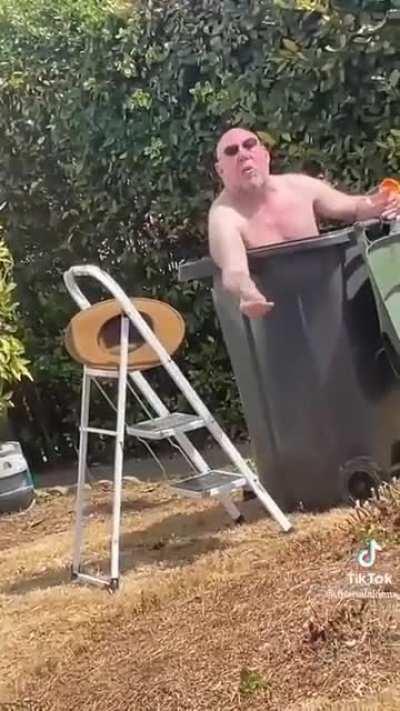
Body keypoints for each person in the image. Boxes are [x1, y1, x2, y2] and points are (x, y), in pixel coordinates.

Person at [208, 127, 400, 318]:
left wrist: (386, 201)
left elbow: (355, 208)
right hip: (279, 319)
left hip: (331, 304)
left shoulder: (300, 187)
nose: (243, 154)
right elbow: (234, 270)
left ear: (265, 155)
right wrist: (249, 293)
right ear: (220, 170)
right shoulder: (224, 216)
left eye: (249, 145)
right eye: (231, 151)